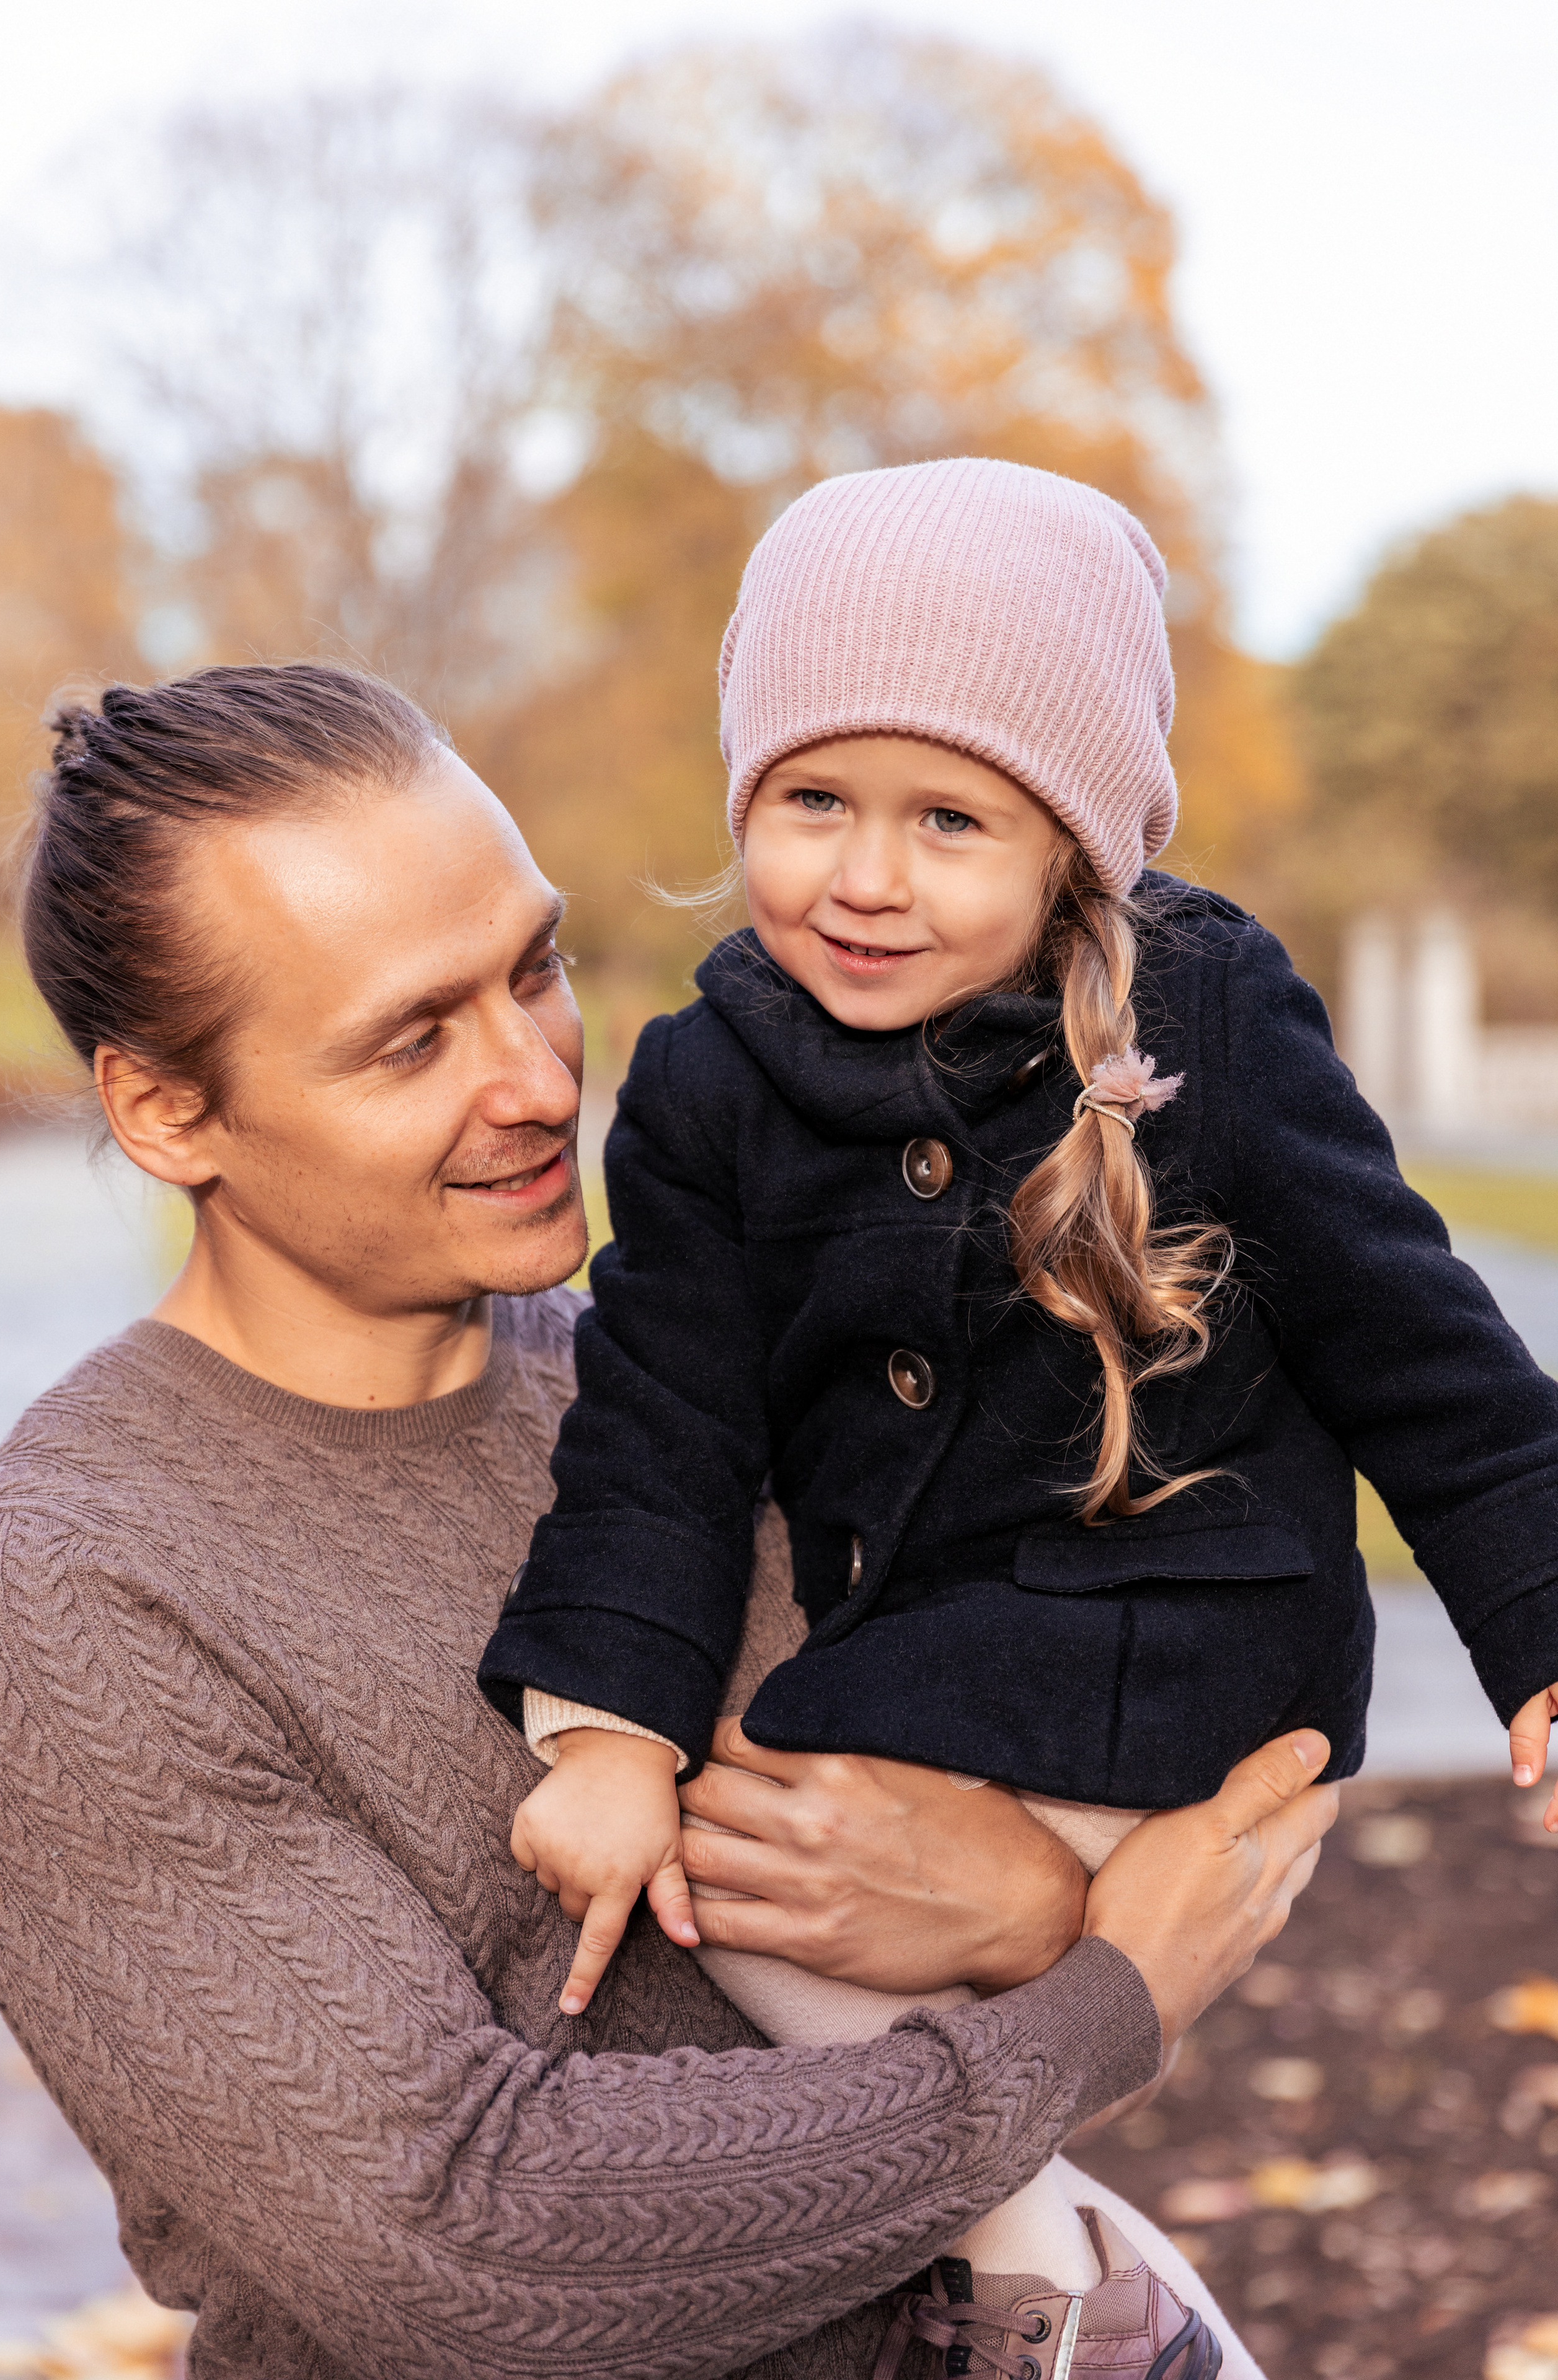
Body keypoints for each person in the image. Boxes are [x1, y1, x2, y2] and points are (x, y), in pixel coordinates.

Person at [0, 664, 1337, 2380]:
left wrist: (1026, 1919)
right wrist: (1088, 2007)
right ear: (168, 1109)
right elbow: (452, 2239)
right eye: (414, 1038)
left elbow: (1169, 1846)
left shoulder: (680, 1381)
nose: (539, 1081)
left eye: (532, 970)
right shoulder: (71, 1594)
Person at [481, 459, 1558, 2355]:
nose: (867, 876)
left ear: (1071, 846)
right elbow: (657, 1423)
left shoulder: (1202, 1016)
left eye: (951, 820)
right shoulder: (705, 1077)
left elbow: (1427, 1352)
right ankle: (1057, 2273)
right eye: (813, 801)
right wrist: (605, 1727)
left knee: (778, 1879)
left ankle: (1036, 2280)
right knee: (723, 1869)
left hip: (1193, 1643)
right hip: (932, 1664)